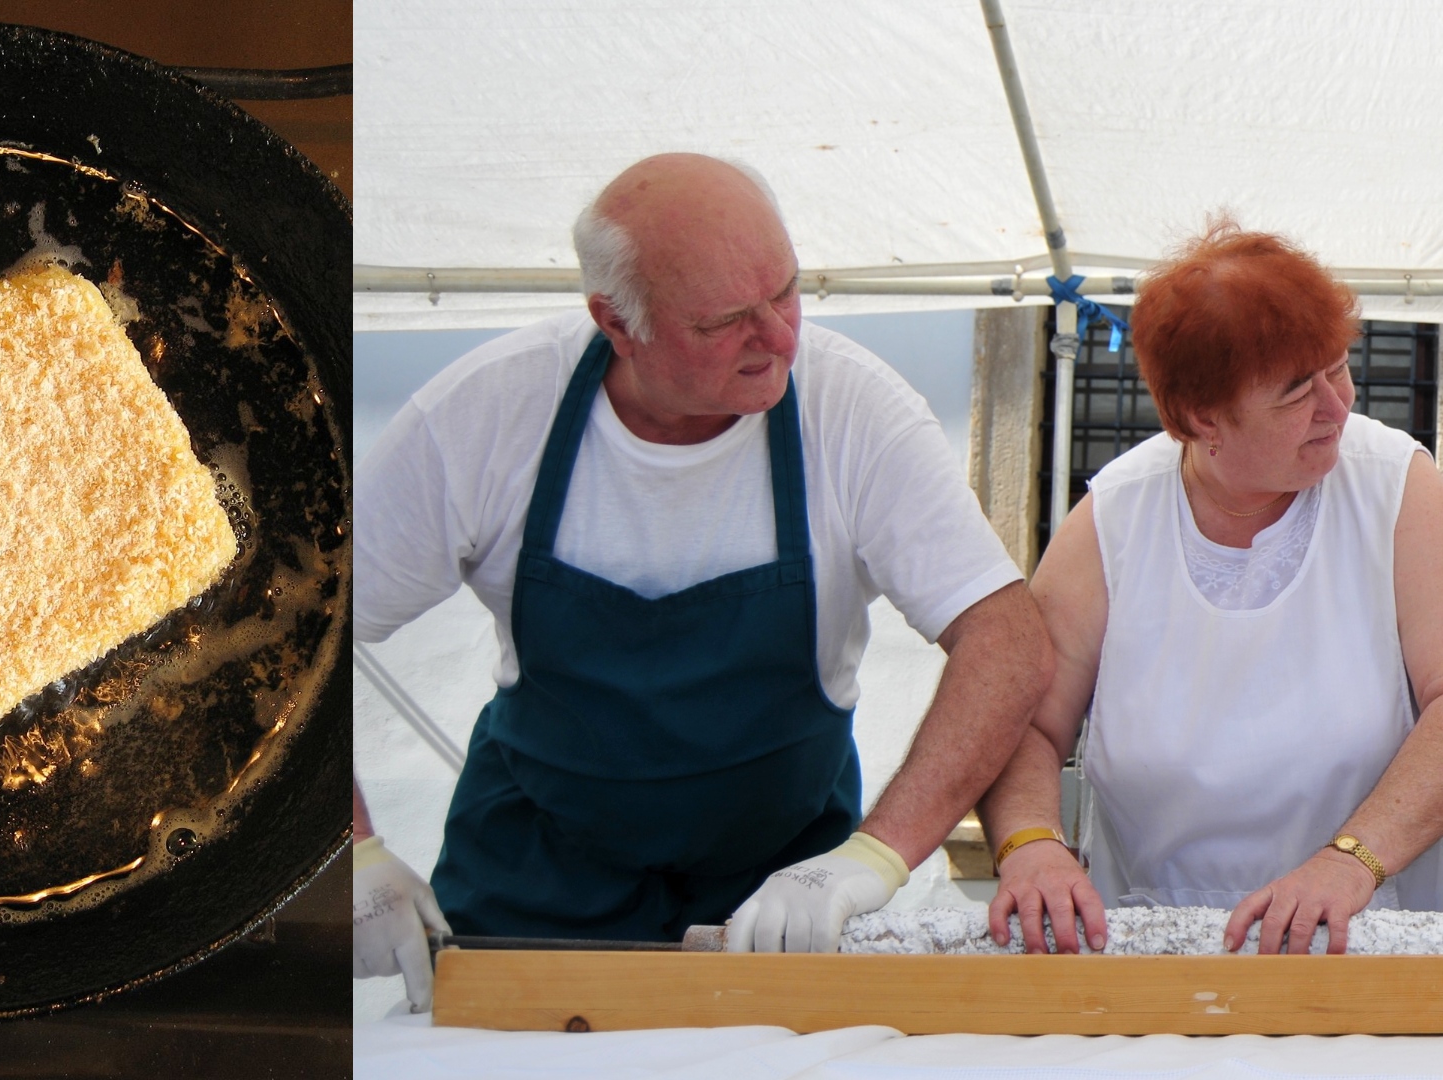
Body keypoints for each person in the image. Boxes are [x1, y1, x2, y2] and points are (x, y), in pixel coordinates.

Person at [353, 153, 1052, 1006]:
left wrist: (870, 860)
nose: (782, 339)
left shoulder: (853, 412)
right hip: (534, 880)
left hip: (778, 893)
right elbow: (291, 636)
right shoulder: (481, 418)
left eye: (788, 293)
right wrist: (345, 848)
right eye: (726, 321)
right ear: (616, 320)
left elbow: (1007, 641)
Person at [979, 222, 1443, 957]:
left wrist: (1350, 861)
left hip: (1368, 940)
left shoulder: (1398, 488)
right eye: (1298, 391)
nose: (1337, 406)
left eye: (1338, 367)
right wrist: (1031, 845)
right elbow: (1020, 725)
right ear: (1202, 418)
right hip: (1149, 948)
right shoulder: (1115, 517)